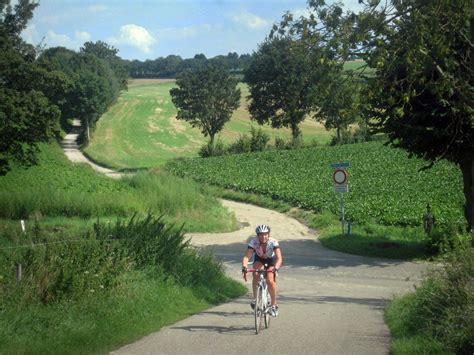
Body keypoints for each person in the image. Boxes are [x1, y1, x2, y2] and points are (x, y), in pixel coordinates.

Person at [242, 224, 282, 317]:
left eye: (265, 234)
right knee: (256, 273)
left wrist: (276, 268)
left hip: (271, 260)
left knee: (270, 280)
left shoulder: (273, 242)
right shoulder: (253, 242)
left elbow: (279, 258)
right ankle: (255, 299)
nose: (263, 236)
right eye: (261, 234)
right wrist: (244, 267)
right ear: (257, 235)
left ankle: (274, 305)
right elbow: (247, 256)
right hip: (259, 259)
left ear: (268, 234)